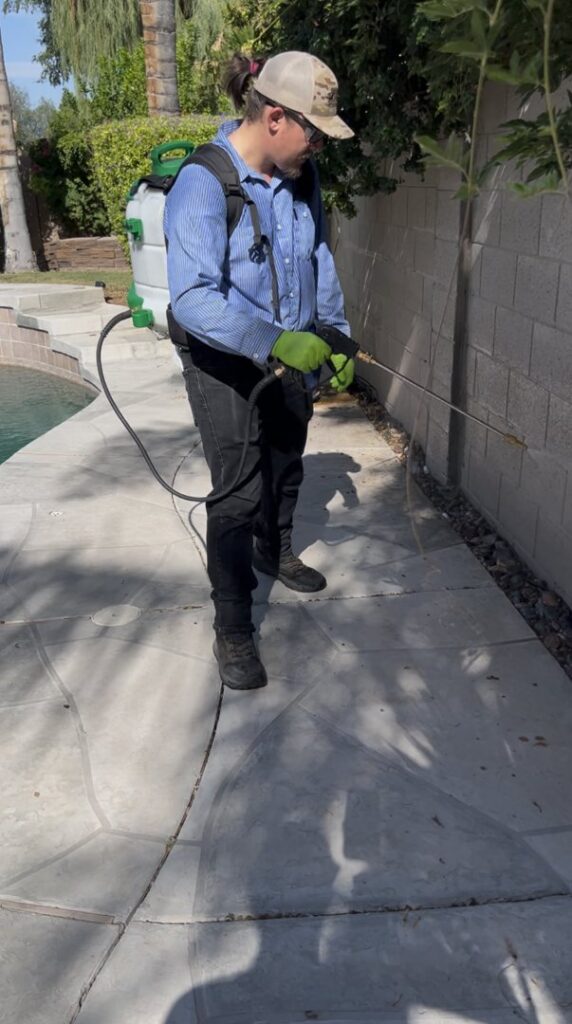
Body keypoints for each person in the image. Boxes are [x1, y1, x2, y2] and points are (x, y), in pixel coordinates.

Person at [164, 50, 355, 691]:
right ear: (275, 117)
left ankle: (276, 552)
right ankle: (234, 624)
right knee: (239, 493)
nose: (318, 148)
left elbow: (319, 255)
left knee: (286, 460)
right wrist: (274, 342)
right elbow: (192, 300)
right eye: (314, 133)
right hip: (222, 358)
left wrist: (335, 336)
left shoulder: (301, 176)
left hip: (290, 351)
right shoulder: (203, 182)